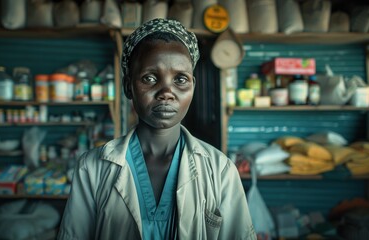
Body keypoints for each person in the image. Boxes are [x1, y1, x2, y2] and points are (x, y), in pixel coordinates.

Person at [57, 18, 255, 240]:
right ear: (128, 86)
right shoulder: (92, 168)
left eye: (180, 79)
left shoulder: (220, 170)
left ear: (193, 86)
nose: (166, 92)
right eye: (150, 78)